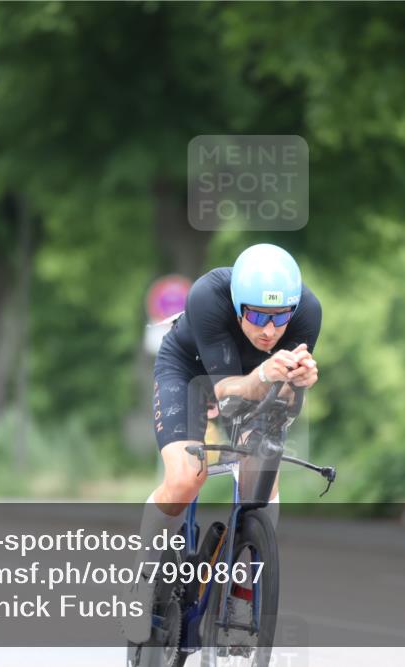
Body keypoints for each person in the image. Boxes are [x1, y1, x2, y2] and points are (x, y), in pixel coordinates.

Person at [122, 243, 322, 642]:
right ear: (235, 304)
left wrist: (296, 383)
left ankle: (243, 586)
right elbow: (226, 395)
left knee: (263, 475)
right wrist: (267, 375)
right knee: (184, 479)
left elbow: (284, 407)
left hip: (255, 378)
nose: (270, 329)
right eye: (257, 315)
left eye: (281, 315)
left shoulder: (308, 312)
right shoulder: (208, 297)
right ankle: (141, 583)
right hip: (191, 373)